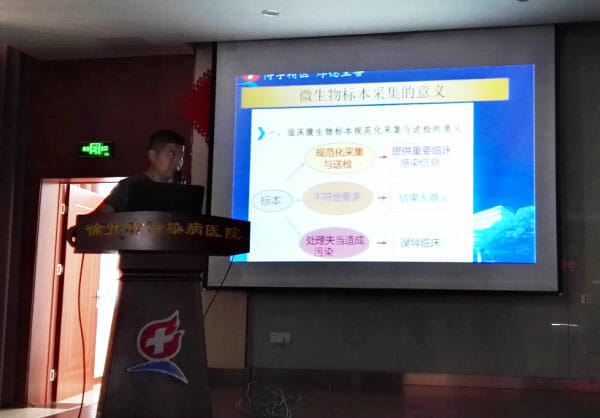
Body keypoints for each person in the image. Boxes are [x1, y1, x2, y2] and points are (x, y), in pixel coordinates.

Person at [95, 129, 186, 213]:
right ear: (152, 155)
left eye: (181, 156)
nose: (178, 161)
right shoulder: (129, 186)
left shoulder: (181, 190)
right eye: (172, 154)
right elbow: (101, 217)